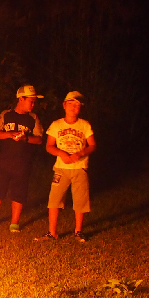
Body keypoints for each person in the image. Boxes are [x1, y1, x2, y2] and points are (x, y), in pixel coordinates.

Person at [0, 85, 44, 233]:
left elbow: (39, 140)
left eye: (34, 102)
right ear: (21, 99)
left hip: (22, 162)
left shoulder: (33, 119)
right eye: (31, 101)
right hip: (3, 161)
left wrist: (26, 138)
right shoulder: (6, 115)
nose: (33, 104)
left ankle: (14, 223)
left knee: (19, 192)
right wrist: (10, 134)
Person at [37, 90, 95, 242]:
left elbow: (92, 145)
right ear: (64, 105)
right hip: (61, 168)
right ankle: (52, 232)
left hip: (80, 167)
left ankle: (78, 231)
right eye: (71, 104)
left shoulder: (84, 125)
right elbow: (49, 146)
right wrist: (61, 153)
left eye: (77, 105)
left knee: (80, 200)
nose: (74, 107)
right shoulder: (56, 125)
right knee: (54, 200)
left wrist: (80, 153)